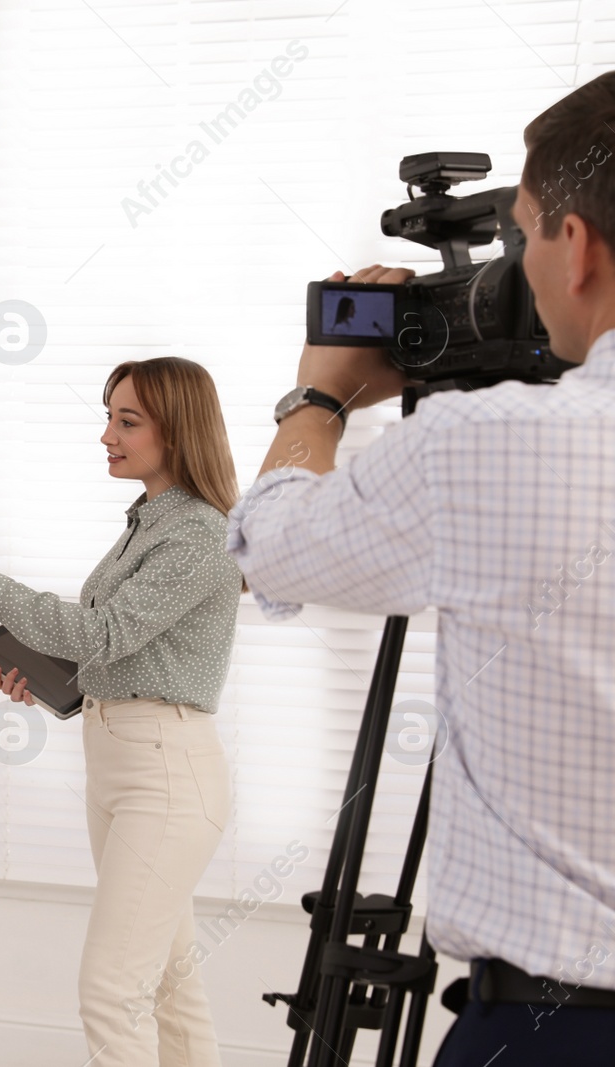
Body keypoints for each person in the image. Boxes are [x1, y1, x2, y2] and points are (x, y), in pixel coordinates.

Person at [227, 75, 615, 1065]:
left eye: (524, 234)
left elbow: (270, 543)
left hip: (553, 1024)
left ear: (575, 247)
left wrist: (317, 396)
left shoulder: (484, 441)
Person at [0, 357, 244, 1067]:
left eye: (127, 421)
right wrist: (53, 676)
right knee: (168, 991)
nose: (106, 436)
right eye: (109, 416)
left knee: (110, 989)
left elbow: (107, 633)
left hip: (166, 775)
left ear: (178, 431)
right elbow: (117, 651)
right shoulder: (149, 523)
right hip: (123, 765)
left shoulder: (199, 533)